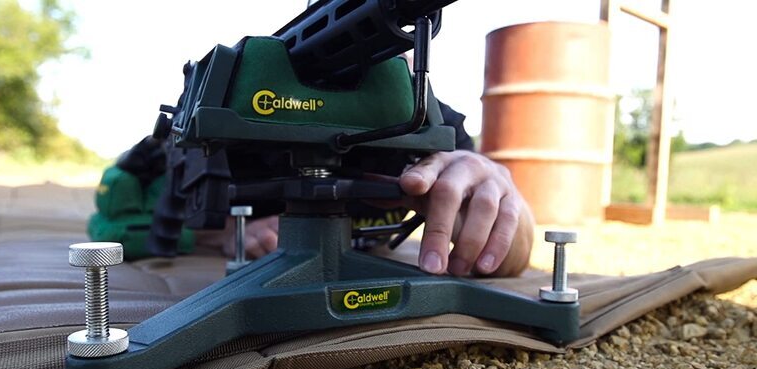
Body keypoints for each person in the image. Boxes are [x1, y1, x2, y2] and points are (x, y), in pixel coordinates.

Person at [210, 101, 535, 278]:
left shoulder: (436, 124)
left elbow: (514, 255)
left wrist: (494, 193)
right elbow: (186, 224)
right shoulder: (253, 108)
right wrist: (232, 232)